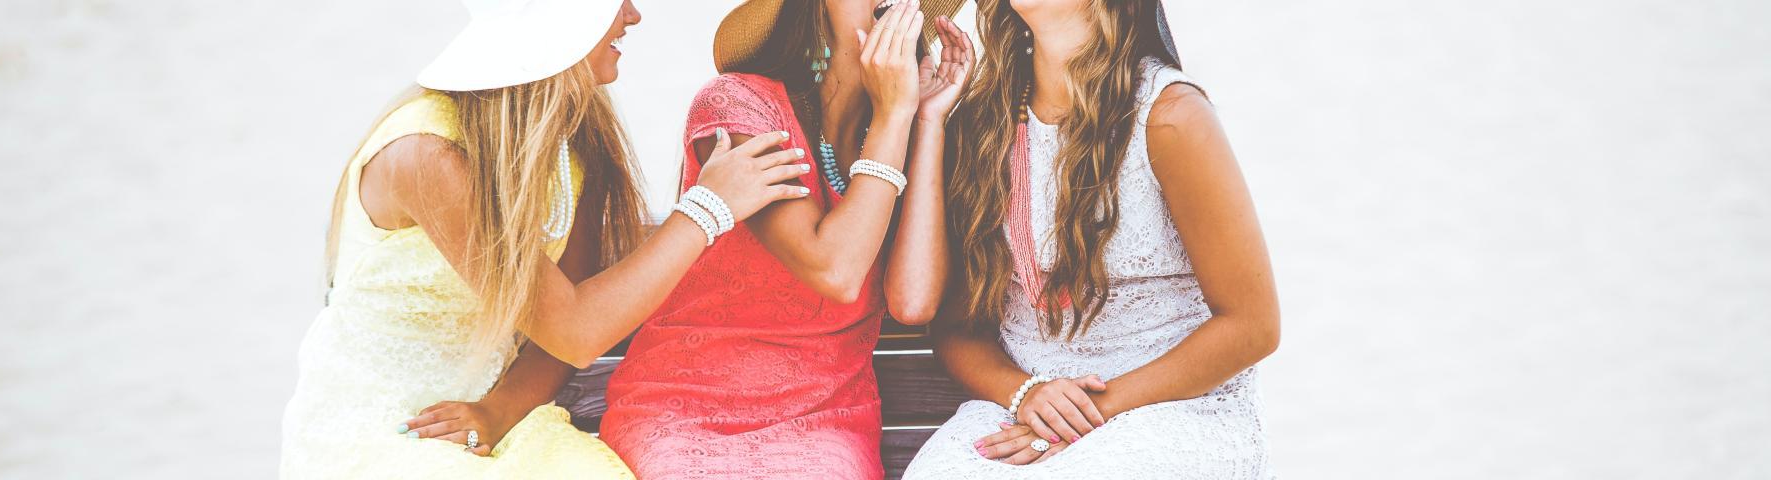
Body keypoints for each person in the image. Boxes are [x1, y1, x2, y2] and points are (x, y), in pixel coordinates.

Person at [279, 0, 812, 477]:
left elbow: (568, 322)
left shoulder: (574, 133)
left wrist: (498, 412)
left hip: (502, 411)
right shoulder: (427, 155)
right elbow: (576, 330)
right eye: (613, 2)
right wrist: (706, 208)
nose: (632, 14)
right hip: (383, 423)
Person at [899, 0, 1281, 478]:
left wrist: (1082, 416)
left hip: (1175, 406)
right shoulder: (983, 121)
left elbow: (1252, 325)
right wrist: (1026, 393)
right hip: (1025, 405)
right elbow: (959, 328)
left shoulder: (1170, 117)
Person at [596, 0, 971, 478]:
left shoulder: (904, 129)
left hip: (825, 418)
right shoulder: (736, 103)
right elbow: (832, 269)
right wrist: (894, 119)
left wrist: (925, 121)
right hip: (684, 410)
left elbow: (912, 303)